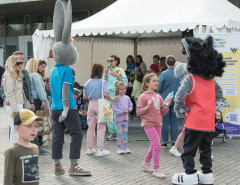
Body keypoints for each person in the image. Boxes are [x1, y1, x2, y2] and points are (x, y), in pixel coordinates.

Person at [172, 36, 225, 185]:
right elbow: (219, 94)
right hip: (208, 121)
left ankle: (189, 174)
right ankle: (207, 174)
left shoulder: (191, 78)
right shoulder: (211, 80)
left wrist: (181, 107)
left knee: (189, 149)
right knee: (206, 149)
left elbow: (179, 96)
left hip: (194, 121)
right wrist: (208, 104)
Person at [137, 73, 170, 179]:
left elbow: (162, 112)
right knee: (157, 145)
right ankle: (156, 169)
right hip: (148, 123)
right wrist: (147, 106)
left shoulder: (158, 96)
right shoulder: (143, 96)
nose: (156, 83)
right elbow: (138, 112)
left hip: (158, 124)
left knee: (154, 145)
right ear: (147, 83)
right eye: (153, 81)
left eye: (157, 81)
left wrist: (167, 106)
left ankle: (146, 163)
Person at [83, 63, 119, 156]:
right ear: (101, 71)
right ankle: (100, 149)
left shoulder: (88, 82)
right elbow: (106, 94)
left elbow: (85, 96)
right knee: (101, 128)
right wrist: (112, 99)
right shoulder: (103, 82)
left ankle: (89, 148)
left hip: (91, 104)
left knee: (90, 127)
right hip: (100, 104)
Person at [4, 109, 42, 185]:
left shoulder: (35, 148)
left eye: (36, 126)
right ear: (17, 128)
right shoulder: (12, 151)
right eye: (29, 126)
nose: (34, 129)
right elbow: (7, 179)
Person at [25, 58, 50, 155]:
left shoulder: (29, 75)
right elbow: (39, 89)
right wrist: (43, 99)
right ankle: (38, 145)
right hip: (38, 100)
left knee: (34, 122)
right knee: (38, 122)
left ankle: (38, 143)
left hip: (33, 101)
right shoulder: (36, 75)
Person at [156, 55, 181, 148]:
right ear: (175, 63)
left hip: (165, 100)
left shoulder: (163, 74)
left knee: (165, 121)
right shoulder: (179, 74)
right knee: (174, 122)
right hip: (176, 100)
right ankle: (174, 141)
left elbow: (158, 88)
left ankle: (164, 142)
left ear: (165, 63)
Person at [104, 55, 128, 141]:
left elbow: (125, 81)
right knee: (109, 113)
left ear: (116, 61)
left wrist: (117, 76)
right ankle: (112, 132)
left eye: (111, 60)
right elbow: (104, 82)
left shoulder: (120, 70)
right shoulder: (107, 70)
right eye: (108, 60)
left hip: (116, 93)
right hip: (108, 93)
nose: (110, 62)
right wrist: (106, 75)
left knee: (117, 113)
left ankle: (119, 132)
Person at [3, 55, 25, 144]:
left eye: (21, 63)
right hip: (14, 105)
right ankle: (14, 149)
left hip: (18, 104)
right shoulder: (10, 76)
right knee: (14, 128)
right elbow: (10, 93)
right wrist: (15, 109)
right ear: (12, 64)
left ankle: (17, 148)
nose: (20, 65)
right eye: (17, 63)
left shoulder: (16, 75)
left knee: (17, 128)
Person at [112, 82, 133, 154]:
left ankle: (126, 147)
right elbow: (114, 108)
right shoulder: (116, 98)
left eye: (124, 88)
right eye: (121, 89)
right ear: (118, 90)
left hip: (126, 120)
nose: (123, 90)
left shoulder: (127, 98)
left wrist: (128, 110)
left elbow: (131, 105)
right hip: (119, 120)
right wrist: (121, 112)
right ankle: (119, 148)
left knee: (125, 133)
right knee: (119, 134)